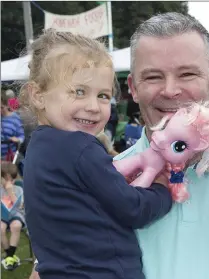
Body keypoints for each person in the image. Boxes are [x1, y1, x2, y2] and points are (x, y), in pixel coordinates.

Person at [21, 29, 173, 279]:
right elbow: (132, 208)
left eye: (103, 95)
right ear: (38, 95)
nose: (93, 107)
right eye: (79, 91)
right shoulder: (79, 147)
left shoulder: (38, 147)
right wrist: (162, 190)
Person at [114, 12, 209, 279]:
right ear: (132, 87)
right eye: (153, 77)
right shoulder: (105, 177)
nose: (170, 90)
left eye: (187, 74)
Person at [1, 161, 25, 271]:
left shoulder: (18, 189)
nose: (10, 182)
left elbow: (20, 207)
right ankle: (9, 255)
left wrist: (11, 192)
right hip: (3, 215)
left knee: (16, 226)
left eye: (12, 179)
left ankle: (10, 257)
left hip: (16, 214)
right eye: (6, 179)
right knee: (1, 228)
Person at [1, 91, 25, 161]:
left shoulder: (14, 118)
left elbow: (21, 136)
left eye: (1, 107)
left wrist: (18, 139)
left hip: (9, 157)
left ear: (6, 105)